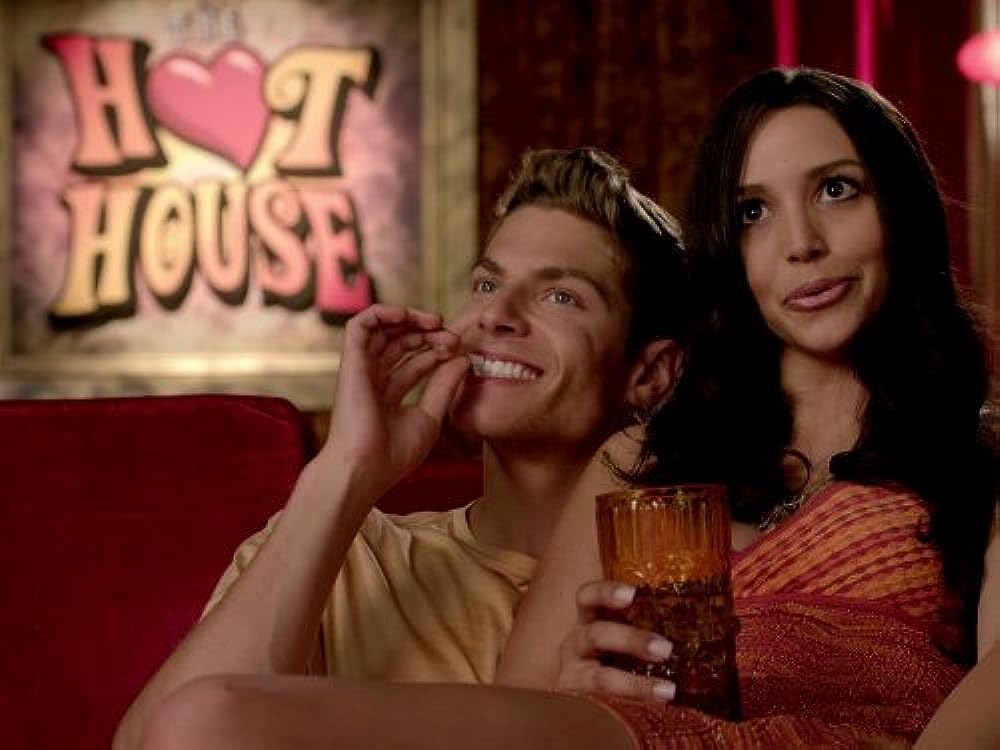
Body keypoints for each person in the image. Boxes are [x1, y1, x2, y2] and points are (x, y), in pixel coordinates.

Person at [132, 68, 1000, 749]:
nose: (801, 242)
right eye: (753, 211)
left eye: (838, 190)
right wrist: (573, 685)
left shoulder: (980, 453)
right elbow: (525, 709)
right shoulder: (640, 462)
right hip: (638, 740)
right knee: (204, 721)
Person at [113, 147, 689, 749]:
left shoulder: (680, 590)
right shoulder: (348, 555)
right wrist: (347, 468)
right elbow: (158, 743)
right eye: (486, 284)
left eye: (560, 296)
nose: (495, 314)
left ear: (651, 373)